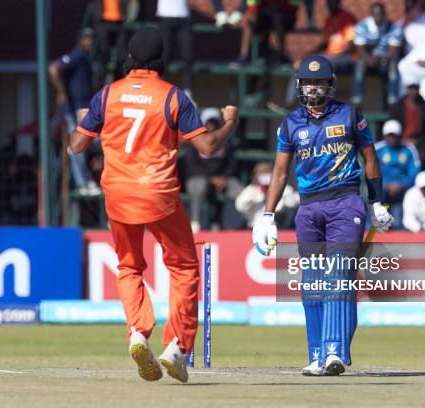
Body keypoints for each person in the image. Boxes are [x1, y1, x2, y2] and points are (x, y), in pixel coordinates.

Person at [69, 28, 239, 383]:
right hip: (159, 193)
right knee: (184, 268)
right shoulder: (173, 96)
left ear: (129, 59)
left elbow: (77, 147)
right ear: (162, 60)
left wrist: (84, 119)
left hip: (117, 194)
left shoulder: (107, 94)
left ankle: (136, 332)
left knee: (129, 266)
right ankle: (177, 346)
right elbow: (207, 148)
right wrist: (229, 124)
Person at [253, 55, 393, 376]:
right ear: (300, 85)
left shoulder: (350, 114)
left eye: (319, 82)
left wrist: (377, 202)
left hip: (346, 202)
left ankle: (335, 351)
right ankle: (317, 353)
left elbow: (370, 158)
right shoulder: (290, 123)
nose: (313, 88)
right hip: (309, 208)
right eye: (307, 82)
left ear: (330, 85)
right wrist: (267, 216)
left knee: (338, 275)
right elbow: (278, 173)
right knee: (313, 281)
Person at [277, 0, 356, 111]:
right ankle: (290, 104)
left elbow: (351, 45)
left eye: (333, 2)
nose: (330, 5)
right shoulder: (329, 20)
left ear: (338, 2)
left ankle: (326, 105)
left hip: (346, 58)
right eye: (328, 3)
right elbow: (324, 44)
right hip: (329, 57)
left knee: (325, 67)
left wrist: (334, 56)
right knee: (302, 66)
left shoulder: (347, 18)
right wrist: (307, 55)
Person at [48, 28, 100, 196]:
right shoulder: (76, 55)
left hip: (85, 107)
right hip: (75, 108)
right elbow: (53, 68)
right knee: (78, 145)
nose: (90, 41)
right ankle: (82, 183)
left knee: (93, 142)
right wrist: (61, 92)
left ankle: (88, 180)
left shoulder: (86, 58)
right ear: (80, 40)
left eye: (91, 38)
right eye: (87, 38)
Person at [185, 108, 244, 232]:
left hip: (222, 180)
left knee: (240, 191)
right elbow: (191, 166)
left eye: (214, 123)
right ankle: (195, 222)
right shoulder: (194, 141)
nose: (211, 126)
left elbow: (232, 165)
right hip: (199, 179)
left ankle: (250, 222)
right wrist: (210, 179)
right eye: (208, 123)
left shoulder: (226, 144)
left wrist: (224, 178)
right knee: (200, 185)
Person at [352, 2, 403, 108]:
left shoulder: (394, 28)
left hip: (385, 60)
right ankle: (357, 99)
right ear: (371, 14)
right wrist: (369, 59)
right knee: (359, 64)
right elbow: (360, 49)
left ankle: (392, 100)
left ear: (385, 14)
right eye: (376, 15)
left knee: (394, 65)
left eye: (380, 15)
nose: (378, 18)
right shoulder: (362, 27)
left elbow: (393, 51)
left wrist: (381, 58)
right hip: (367, 60)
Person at [375, 119, 421, 229]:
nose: (392, 139)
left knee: (399, 218)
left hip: (404, 188)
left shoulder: (409, 149)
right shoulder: (377, 149)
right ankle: (376, 226)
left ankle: (401, 229)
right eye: (389, 136)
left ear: (400, 136)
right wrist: (385, 184)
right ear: (384, 136)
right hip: (382, 188)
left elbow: (415, 171)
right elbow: (371, 170)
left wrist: (401, 184)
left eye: (394, 136)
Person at [234, 0, 300, 66]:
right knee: (249, 20)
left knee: (276, 18)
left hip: (283, 15)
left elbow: (289, 6)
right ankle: (243, 56)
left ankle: (282, 56)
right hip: (263, 15)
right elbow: (252, 6)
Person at [235, 161, 299, 228]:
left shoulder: (283, 188)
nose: (264, 177)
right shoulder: (251, 190)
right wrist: (257, 197)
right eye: (262, 174)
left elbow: (294, 202)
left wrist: (279, 196)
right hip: (255, 227)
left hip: (280, 227)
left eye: (267, 173)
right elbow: (240, 206)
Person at [389, 83, 425, 163]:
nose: (413, 91)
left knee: (417, 160)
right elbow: (391, 128)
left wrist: (417, 141)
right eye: (411, 88)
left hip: (420, 144)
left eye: (415, 89)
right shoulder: (396, 107)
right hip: (398, 142)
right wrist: (400, 140)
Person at [157, 0, 194, 100]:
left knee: (188, 55)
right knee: (164, 56)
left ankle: (188, 92)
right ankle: (161, 91)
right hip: (165, 16)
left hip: (184, 17)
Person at [85, 0, 127, 88]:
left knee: (122, 56)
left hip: (119, 22)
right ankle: (100, 86)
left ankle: (118, 82)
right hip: (103, 21)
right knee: (103, 56)